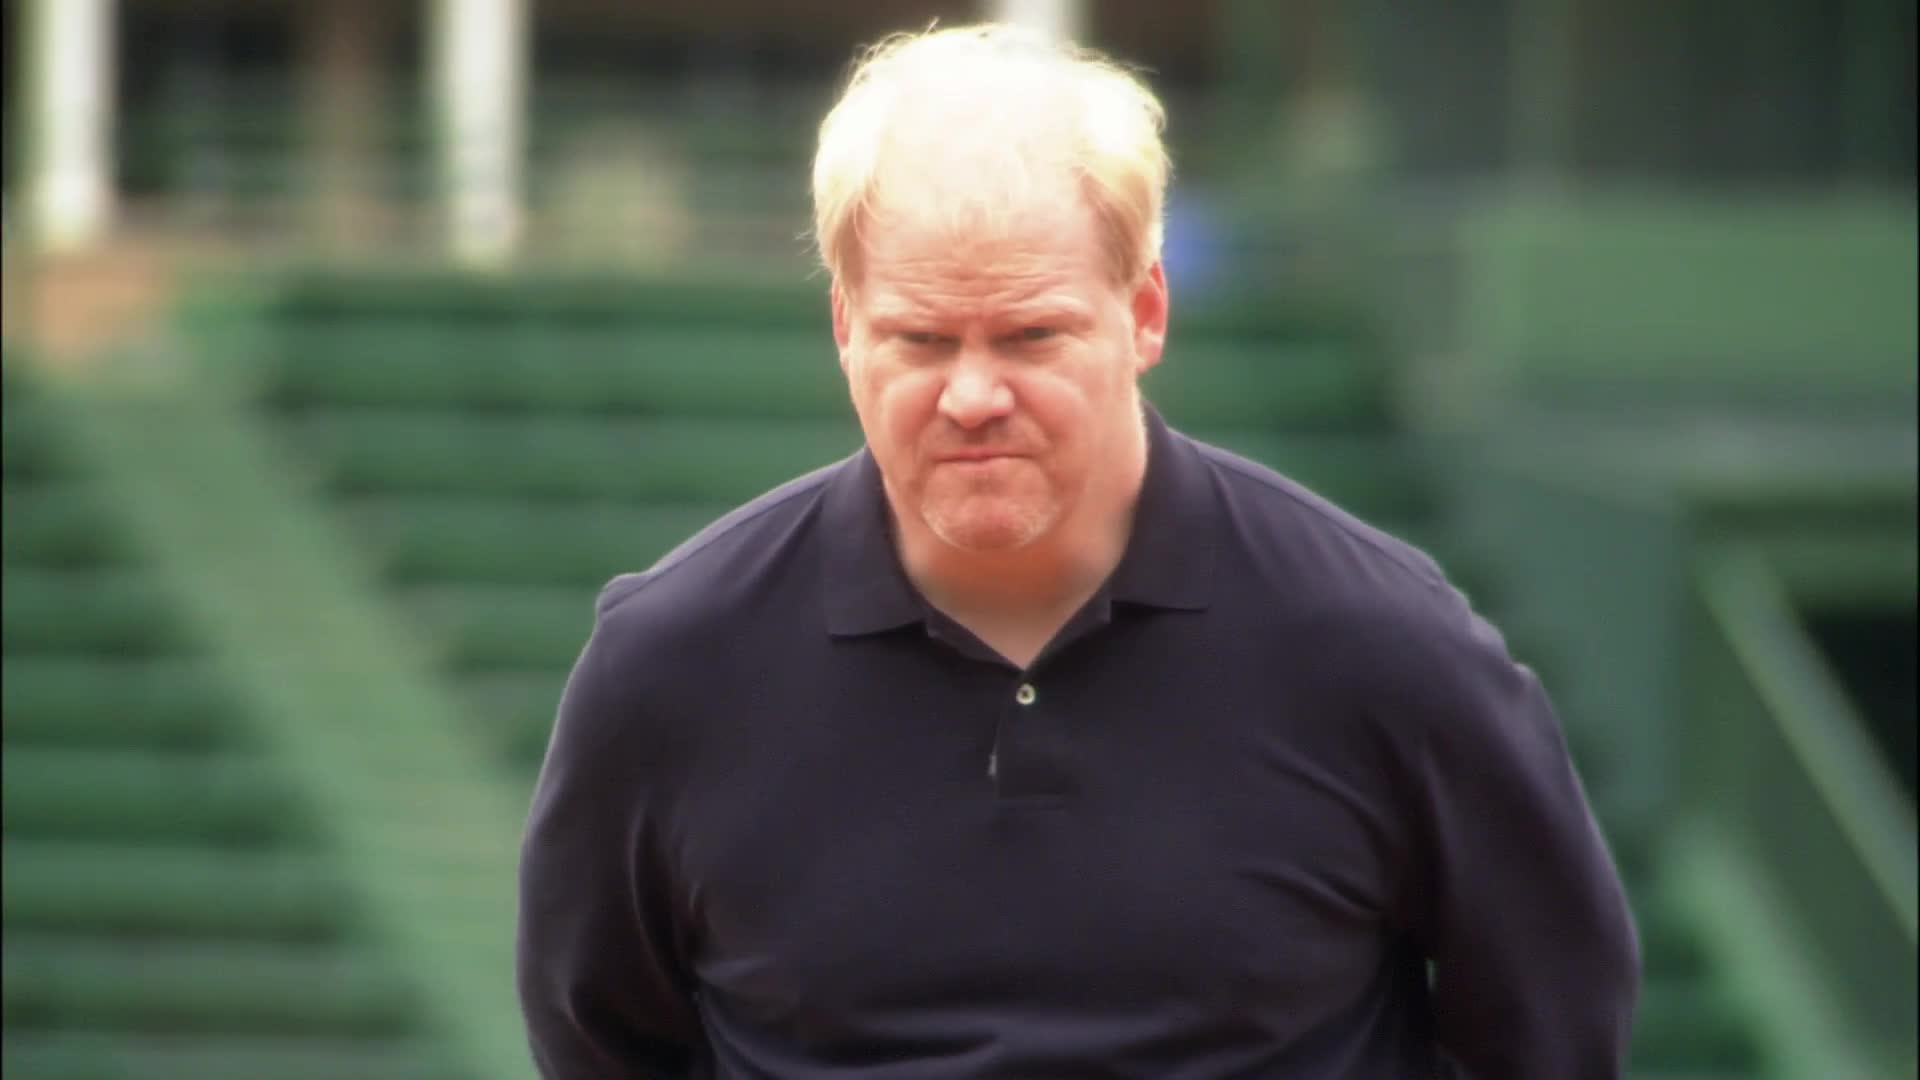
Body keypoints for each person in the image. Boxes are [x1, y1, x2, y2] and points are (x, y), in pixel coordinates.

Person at [517, 23, 1640, 1079]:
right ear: (845, 327)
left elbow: (1555, 1022)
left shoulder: (1386, 644)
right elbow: (599, 1041)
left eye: (1030, 334)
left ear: (1144, 313)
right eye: (921, 338)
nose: (972, 394)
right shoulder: (670, 665)